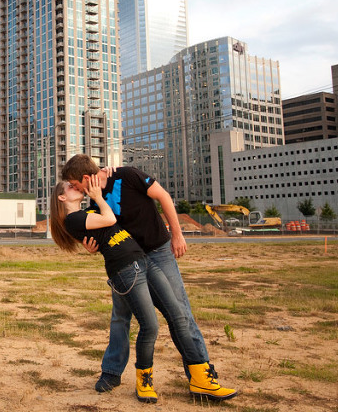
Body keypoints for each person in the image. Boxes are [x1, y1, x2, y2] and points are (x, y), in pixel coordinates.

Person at [61, 154, 237, 401]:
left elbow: (164, 196)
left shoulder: (126, 175)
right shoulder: (93, 204)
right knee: (120, 317)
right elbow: (105, 232)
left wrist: (177, 235)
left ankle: (200, 376)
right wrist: (92, 246)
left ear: (87, 178)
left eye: (75, 184)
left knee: (180, 313)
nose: (75, 189)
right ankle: (111, 373)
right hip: (127, 261)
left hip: (158, 252)